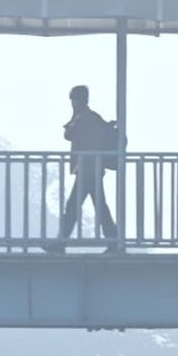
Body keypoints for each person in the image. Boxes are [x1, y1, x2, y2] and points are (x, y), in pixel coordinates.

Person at [49, 85, 116, 251]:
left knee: (73, 207)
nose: (72, 104)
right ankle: (113, 241)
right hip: (92, 168)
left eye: (73, 100)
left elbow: (69, 134)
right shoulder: (93, 117)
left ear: (77, 101)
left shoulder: (84, 118)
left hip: (87, 169)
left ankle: (60, 243)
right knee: (99, 206)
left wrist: (74, 116)